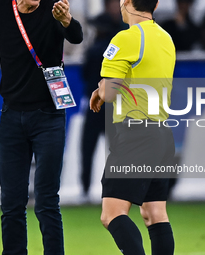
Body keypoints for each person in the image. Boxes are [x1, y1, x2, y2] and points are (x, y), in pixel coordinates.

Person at [0, 0, 83, 254]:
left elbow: (76, 36)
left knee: (46, 201)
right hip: (11, 117)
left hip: (49, 116)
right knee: (11, 203)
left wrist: (66, 20)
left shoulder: (55, 6)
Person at [90, 0, 176, 254]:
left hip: (136, 133)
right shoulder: (165, 38)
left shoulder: (126, 38)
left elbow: (110, 91)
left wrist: (99, 89)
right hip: (162, 133)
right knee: (154, 213)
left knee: (112, 213)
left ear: (125, 2)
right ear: (156, 4)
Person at [80, 0, 125, 199]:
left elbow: (84, 74)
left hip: (94, 104)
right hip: (114, 105)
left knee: (87, 148)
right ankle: (120, 187)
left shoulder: (94, 50)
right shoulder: (118, 50)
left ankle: (85, 187)